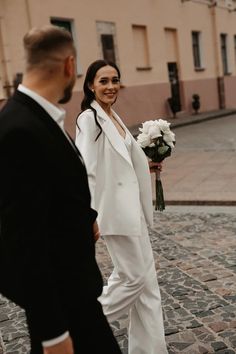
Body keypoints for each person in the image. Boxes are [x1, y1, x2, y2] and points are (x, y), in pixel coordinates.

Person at [0, 27, 122, 354]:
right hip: (62, 308)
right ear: (69, 65)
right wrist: (53, 335)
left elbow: (54, 188)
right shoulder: (18, 128)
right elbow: (22, 242)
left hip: (77, 296)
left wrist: (87, 216)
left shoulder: (42, 115)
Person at [75, 59, 168, 354]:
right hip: (114, 213)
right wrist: (88, 214)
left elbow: (122, 160)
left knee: (148, 287)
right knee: (133, 279)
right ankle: (78, 325)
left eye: (114, 80)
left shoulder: (112, 114)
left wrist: (149, 165)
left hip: (134, 212)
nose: (111, 86)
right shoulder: (88, 119)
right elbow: (86, 169)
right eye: (103, 81)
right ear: (91, 85)